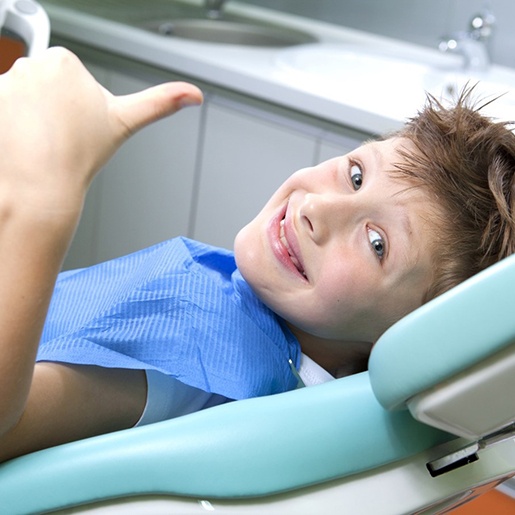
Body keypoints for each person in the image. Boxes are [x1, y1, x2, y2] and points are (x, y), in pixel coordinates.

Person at [0, 48, 514, 462]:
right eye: (356, 175)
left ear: (403, 335)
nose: (317, 207)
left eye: (376, 243)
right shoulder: (260, 342)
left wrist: (45, 198)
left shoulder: (194, 370)